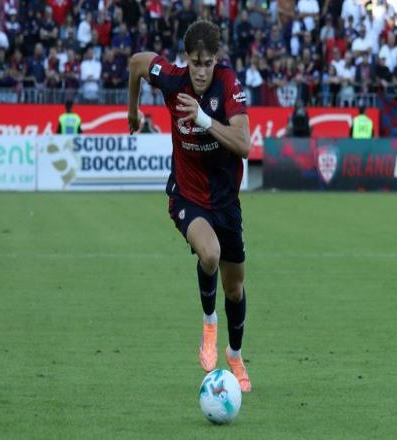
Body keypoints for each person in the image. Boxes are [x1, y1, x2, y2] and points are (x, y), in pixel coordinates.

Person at [128, 20, 252, 392]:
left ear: (217, 60)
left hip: (226, 201)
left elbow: (244, 145)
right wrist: (133, 110)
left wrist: (202, 118)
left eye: (207, 63)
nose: (200, 71)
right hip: (187, 195)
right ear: (186, 59)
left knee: (235, 287)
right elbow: (137, 63)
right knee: (209, 254)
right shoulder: (172, 79)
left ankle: (234, 355)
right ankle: (209, 324)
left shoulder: (228, 84)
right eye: (195, 63)